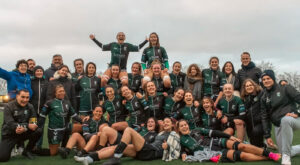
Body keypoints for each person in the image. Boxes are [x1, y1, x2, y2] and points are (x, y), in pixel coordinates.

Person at [74, 117, 178, 165]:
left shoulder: (174, 134)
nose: (165, 123)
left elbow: (177, 147)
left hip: (151, 152)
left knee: (128, 130)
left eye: (168, 122)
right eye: (164, 122)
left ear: (173, 124)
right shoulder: (160, 133)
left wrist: (168, 148)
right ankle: (89, 158)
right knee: (115, 147)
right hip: (142, 151)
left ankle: (116, 158)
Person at [177, 120, 281, 163]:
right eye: (181, 126)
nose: (184, 127)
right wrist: (183, 154)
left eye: (185, 124)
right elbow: (183, 150)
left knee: (242, 146)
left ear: (188, 125)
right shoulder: (181, 139)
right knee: (242, 156)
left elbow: (214, 133)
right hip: (212, 153)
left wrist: (229, 136)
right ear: (179, 129)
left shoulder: (196, 130)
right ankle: (267, 157)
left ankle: (269, 153)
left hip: (217, 142)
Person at [261, 70, 300, 165]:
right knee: (282, 151)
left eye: (268, 78)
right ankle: (287, 152)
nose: (266, 81)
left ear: (273, 78)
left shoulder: (285, 88)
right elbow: (264, 117)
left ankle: (286, 158)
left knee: (285, 119)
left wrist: (298, 112)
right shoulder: (263, 97)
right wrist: (267, 135)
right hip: (279, 125)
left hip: (294, 120)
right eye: (264, 79)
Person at [38, 84, 82, 156]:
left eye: (63, 91)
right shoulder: (49, 103)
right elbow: (42, 116)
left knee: (82, 127)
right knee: (53, 153)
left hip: (66, 127)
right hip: (55, 130)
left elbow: (74, 115)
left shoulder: (67, 102)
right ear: (55, 93)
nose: (62, 93)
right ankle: (34, 151)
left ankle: (78, 148)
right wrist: (38, 127)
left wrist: (83, 121)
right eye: (59, 91)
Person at [0, 89, 41, 162]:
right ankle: (13, 146)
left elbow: (33, 123)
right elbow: (10, 123)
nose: (25, 100)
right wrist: (26, 126)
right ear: (17, 96)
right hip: (10, 134)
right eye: (23, 97)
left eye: (27, 97)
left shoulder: (30, 106)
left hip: (23, 132)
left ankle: (27, 151)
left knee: (38, 131)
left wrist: (25, 128)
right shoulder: (9, 106)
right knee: (3, 158)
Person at [240, 79, 264, 147]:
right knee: (253, 143)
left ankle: (262, 147)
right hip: (250, 124)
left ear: (254, 85)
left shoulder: (261, 94)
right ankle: (262, 146)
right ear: (244, 88)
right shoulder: (246, 98)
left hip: (260, 122)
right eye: (247, 86)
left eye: (250, 85)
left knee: (256, 132)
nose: (249, 87)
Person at [30, 66, 48, 149]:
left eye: (41, 71)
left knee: (41, 128)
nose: (39, 72)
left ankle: (38, 146)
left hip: (42, 111)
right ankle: (32, 146)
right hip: (32, 111)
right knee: (33, 128)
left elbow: (48, 96)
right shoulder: (31, 82)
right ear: (34, 72)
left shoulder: (46, 82)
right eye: (37, 71)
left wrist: (45, 107)